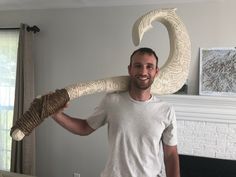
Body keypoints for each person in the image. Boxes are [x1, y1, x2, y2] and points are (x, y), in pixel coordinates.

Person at [52, 47, 180, 177]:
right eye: (138, 66)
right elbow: (85, 127)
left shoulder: (166, 110)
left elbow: (170, 155)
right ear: (130, 69)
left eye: (149, 67)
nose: (143, 71)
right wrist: (57, 115)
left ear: (156, 72)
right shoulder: (112, 101)